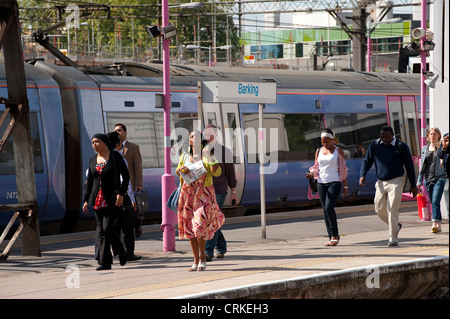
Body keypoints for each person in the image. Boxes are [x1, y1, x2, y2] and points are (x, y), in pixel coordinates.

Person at [359, 126, 418, 247]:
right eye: (381, 136)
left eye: (386, 137)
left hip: (396, 181)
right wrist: (362, 175)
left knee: (392, 209)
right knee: (378, 208)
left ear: (392, 136)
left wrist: (413, 184)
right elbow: (367, 160)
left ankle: (393, 238)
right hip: (381, 181)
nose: (383, 139)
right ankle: (396, 226)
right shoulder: (375, 145)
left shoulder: (401, 147)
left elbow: (409, 166)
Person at [175, 130, 225, 271]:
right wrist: (181, 170)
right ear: (189, 141)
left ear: (201, 140)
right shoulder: (184, 156)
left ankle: (203, 257)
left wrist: (209, 155)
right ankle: (196, 260)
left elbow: (217, 172)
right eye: (192, 136)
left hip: (204, 195)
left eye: (197, 136)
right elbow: (177, 170)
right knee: (191, 229)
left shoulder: (207, 156)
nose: (194, 138)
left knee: (199, 226)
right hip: (187, 196)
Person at [83, 133, 129, 270]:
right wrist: (86, 200)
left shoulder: (115, 157)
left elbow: (126, 176)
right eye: (92, 142)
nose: (94, 144)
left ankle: (120, 251)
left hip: (112, 200)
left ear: (104, 142)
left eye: (97, 141)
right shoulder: (92, 160)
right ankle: (105, 262)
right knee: (101, 232)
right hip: (97, 200)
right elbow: (90, 182)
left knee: (107, 227)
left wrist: (121, 194)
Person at [306, 128, 348, 246]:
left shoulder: (339, 151)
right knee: (325, 210)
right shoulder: (318, 151)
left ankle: (335, 234)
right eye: (322, 141)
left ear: (332, 140)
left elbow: (343, 170)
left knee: (329, 207)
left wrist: (345, 186)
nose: (324, 143)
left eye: (326, 141)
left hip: (334, 182)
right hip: (321, 183)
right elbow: (316, 167)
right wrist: (311, 174)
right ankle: (331, 236)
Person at [203, 124, 238, 261]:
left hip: (219, 190)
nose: (207, 137)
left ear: (216, 135)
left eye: (210, 134)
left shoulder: (225, 152)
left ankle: (208, 251)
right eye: (205, 134)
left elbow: (230, 173)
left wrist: (233, 191)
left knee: (212, 220)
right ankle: (221, 246)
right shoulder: (200, 151)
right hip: (204, 191)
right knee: (212, 221)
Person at [107, 131, 142, 261]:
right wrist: (130, 199)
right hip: (122, 197)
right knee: (128, 226)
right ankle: (128, 253)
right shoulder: (119, 158)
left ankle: (113, 251)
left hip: (107, 198)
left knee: (109, 226)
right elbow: (125, 180)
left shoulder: (99, 158)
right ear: (118, 144)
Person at [114, 123, 144, 238]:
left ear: (125, 132)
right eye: (115, 131)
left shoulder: (133, 147)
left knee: (131, 208)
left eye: (119, 130)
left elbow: (138, 166)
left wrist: (139, 183)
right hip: (118, 185)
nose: (117, 133)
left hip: (130, 184)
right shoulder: (112, 148)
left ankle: (136, 223)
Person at [417, 128, 446, 233]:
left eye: (435, 134)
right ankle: (439, 224)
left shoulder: (442, 148)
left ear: (439, 136)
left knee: (435, 201)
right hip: (428, 180)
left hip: (439, 178)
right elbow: (422, 167)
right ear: (428, 136)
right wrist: (419, 181)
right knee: (434, 203)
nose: (432, 136)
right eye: (431, 134)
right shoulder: (424, 149)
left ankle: (434, 223)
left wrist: (440, 148)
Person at [436, 132, 449, 216]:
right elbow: (440, 155)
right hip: (447, 177)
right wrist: (444, 147)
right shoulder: (444, 146)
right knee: (448, 204)